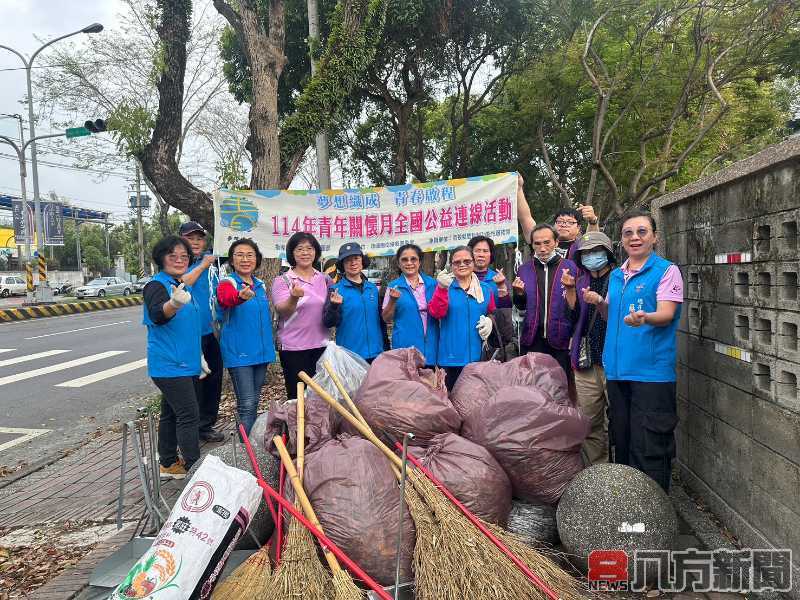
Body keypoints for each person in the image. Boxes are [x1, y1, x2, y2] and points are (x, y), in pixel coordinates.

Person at [583, 210, 683, 491]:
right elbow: (610, 317)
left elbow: (666, 313)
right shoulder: (616, 275)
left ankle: (653, 521)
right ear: (621, 240)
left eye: (642, 232)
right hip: (617, 372)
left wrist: (645, 317)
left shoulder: (666, 271)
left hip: (651, 375)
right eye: (628, 233)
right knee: (624, 445)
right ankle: (628, 514)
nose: (635, 238)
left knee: (650, 449)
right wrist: (600, 304)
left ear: (655, 237)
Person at [142, 236, 202, 480]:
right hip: (170, 365)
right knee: (189, 415)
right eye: (172, 255)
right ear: (161, 258)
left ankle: (167, 462)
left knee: (171, 413)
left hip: (185, 362)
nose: (179, 260)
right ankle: (195, 469)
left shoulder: (179, 283)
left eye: (184, 256)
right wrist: (173, 304)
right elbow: (158, 314)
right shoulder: (157, 286)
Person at [563, 231, 616, 464]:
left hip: (614, 361)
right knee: (590, 421)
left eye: (596, 251)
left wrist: (601, 302)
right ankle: (597, 472)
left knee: (620, 419)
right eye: (586, 253)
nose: (591, 256)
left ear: (607, 253)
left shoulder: (620, 278)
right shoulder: (580, 280)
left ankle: (623, 471)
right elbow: (572, 319)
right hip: (586, 362)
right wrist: (571, 291)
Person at [216, 239, 276, 435]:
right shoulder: (228, 282)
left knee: (254, 401)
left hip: (261, 353)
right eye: (239, 255)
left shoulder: (260, 285)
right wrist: (239, 297)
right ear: (232, 260)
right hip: (239, 353)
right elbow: (225, 299)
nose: (245, 259)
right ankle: (246, 451)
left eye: (250, 255)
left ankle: (249, 445)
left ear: (256, 259)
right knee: (247, 404)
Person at [511, 224, 578, 380]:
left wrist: (570, 289)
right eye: (537, 243)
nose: (542, 248)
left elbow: (576, 308)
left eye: (547, 242)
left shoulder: (570, 267)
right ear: (532, 244)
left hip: (561, 340)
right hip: (532, 339)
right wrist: (519, 295)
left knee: (560, 386)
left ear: (556, 242)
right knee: (533, 389)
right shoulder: (524, 269)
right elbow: (520, 308)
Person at [178, 221, 224, 443]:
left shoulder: (212, 266)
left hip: (210, 332)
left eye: (199, 238)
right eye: (190, 238)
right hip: (188, 335)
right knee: (192, 381)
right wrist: (203, 265)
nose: (195, 242)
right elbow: (182, 284)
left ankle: (206, 425)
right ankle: (190, 427)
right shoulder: (178, 264)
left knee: (213, 379)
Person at [272, 232, 332, 400]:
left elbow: (331, 308)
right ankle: (298, 427)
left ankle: (319, 427)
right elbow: (282, 309)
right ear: (292, 253)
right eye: (299, 249)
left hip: (322, 346)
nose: (305, 253)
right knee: (297, 398)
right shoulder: (283, 280)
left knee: (322, 397)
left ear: (316, 252)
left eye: (309, 248)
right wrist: (293, 297)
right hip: (294, 348)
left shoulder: (325, 279)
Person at [428, 246, 495, 391]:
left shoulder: (485, 289)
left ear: (473, 262)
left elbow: (491, 311)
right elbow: (436, 313)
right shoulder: (444, 286)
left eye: (466, 261)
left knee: (475, 402)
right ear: (451, 265)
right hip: (451, 358)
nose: (462, 265)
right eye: (457, 262)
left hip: (478, 357)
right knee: (452, 401)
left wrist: (489, 320)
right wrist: (441, 289)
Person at [323, 243, 385, 361]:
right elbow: (328, 322)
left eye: (356, 258)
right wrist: (334, 306)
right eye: (348, 260)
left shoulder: (372, 288)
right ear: (342, 265)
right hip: (350, 355)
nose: (353, 263)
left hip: (377, 352)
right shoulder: (336, 290)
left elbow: (381, 321)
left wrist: (385, 347)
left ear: (362, 260)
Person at [381, 244, 439, 366]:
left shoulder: (433, 284)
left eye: (413, 259)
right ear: (398, 263)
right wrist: (392, 300)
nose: (409, 263)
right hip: (405, 347)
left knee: (431, 383)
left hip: (432, 347)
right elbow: (386, 318)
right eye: (404, 259)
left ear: (419, 262)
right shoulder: (393, 286)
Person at [515, 172, 599, 248]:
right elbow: (525, 218)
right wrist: (518, 189)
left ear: (578, 228)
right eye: (560, 221)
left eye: (570, 222)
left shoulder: (582, 249)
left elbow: (591, 241)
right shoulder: (542, 245)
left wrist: (592, 221)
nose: (564, 225)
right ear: (554, 226)